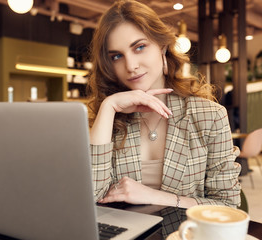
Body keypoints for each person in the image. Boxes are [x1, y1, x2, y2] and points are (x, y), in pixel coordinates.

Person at [87, 0, 241, 209]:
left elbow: (228, 205)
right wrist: (109, 106)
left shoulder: (209, 116)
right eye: (116, 56)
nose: (131, 66)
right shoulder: (106, 118)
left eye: (140, 47)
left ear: (162, 46)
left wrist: (156, 196)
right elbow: (92, 197)